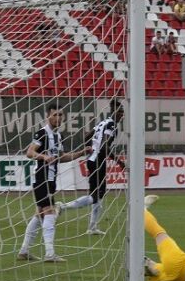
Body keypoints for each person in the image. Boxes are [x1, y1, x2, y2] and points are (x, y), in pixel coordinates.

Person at [18, 104, 91, 263]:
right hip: (41, 178)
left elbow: (62, 157)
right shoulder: (43, 133)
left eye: (60, 115)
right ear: (48, 116)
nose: (58, 118)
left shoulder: (58, 136)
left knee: (39, 215)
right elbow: (29, 152)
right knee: (49, 213)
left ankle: (24, 251)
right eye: (55, 115)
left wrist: (81, 152)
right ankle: (50, 254)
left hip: (50, 180)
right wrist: (43, 157)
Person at [58, 101, 125, 235]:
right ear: (113, 111)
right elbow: (105, 146)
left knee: (99, 194)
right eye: (119, 112)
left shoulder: (103, 122)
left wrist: (91, 147)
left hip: (93, 159)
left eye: (122, 112)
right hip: (97, 161)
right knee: (95, 196)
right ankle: (62, 207)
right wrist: (119, 161)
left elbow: (86, 136)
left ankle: (92, 227)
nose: (121, 115)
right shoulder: (111, 125)